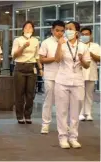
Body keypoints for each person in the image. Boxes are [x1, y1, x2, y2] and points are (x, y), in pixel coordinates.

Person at [54, 21, 90, 149]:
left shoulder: (83, 46)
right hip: (62, 81)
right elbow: (57, 60)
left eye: (70, 29)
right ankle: (63, 137)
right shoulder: (62, 44)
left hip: (78, 81)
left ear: (76, 32)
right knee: (61, 111)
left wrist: (81, 60)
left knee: (75, 112)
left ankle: (73, 137)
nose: (67, 31)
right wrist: (59, 46)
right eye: (66, 29)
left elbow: (87, 65)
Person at [11, 21, 43, 124]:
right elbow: (14, 55)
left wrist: (40, 68)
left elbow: (37, 56)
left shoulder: (36, 41)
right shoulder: (18, 40)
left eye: (30, 28)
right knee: (19, 93)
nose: (28, 30)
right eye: (26, 28)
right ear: (23, 29)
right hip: (20, 67)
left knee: (30, 94)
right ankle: (19, 116)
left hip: (31, 67)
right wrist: (23, 47)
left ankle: (28, 115)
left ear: (33, 30)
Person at [39, 20, 65, 134]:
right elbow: (41, 59)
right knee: (48, 101)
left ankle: (64, 125)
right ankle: (45, 124)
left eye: (62, 31)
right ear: (52, 30)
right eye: (57, 30)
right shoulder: (46, 42)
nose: (59, 33)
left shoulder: (67, 42)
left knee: (64, 102)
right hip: (50, 75)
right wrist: (55, 58)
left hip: (64, 76)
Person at [79, 27, 100, 121]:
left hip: (91, 72)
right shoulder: (78, 45)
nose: (84, 36)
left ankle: (88, 113)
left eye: (86, 34)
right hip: (80, 72)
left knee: (89, 94)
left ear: (90, 35)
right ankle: (81, 113)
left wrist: (90, 53)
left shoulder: (95, 46)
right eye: (82, 34)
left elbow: (99, 58)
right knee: (80, 94)